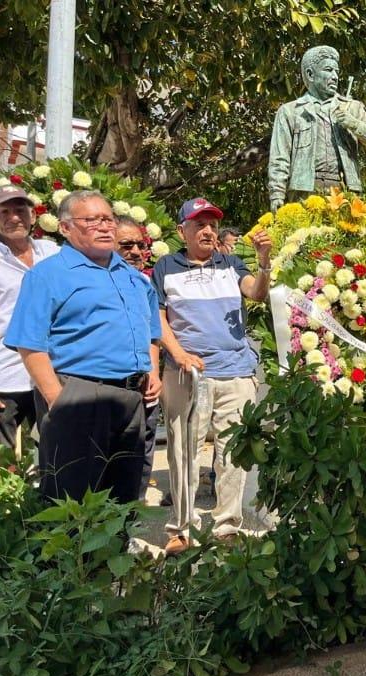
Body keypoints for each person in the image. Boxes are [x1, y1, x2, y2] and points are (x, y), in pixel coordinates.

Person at [5, 190, 161, 503]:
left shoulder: (133, 278)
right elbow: (29, 343)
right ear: (65, 228)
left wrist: (153, 370)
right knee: (73, 498)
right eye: (91, 220)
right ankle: (75, 555)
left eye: (108, 219)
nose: (105, 227)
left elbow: (151, 332)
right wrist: (56, 397)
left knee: (125, 494)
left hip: (132, 398)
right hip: (78, 394)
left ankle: (119, 551)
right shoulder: (47, 276)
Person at [153, 197, 272, 555]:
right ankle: (182, 528)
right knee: (183, 451)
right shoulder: (166, 266)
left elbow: (257, 293)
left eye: (213, 224)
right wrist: (177, 354)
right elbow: (158, 316)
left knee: (232, 454)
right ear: (181, 231)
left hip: (235, 373)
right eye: (199, 224)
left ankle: (227, 527)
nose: (208, 230)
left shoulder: (232, 264)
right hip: (186, 374)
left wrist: (264, 263)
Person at [268, 45, 366, 210]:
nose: (335, 77)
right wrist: (277, 194)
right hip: (304, 194)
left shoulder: (352, 108)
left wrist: (354, 123)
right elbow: (279, 158)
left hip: (344, 193)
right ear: (310, 74)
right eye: (328, 70)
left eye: (336, 72)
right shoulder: (290, 111)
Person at [0, 186, 60, 450]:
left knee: (55, 458)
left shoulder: (52, 252)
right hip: (5, 378)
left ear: (33, 216)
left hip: (52, 373)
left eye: (20, 210)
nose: (14, 217)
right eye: (5, 211)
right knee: (4, 466)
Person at [115, 216, 161, 501]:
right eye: (126, 245)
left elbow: (153, 336)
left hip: (145, 386)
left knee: (140, 459)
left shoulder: (145, 284)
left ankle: (131, 522)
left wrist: (154, 375)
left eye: (140, 245)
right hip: (110, 388)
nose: (135, 251)